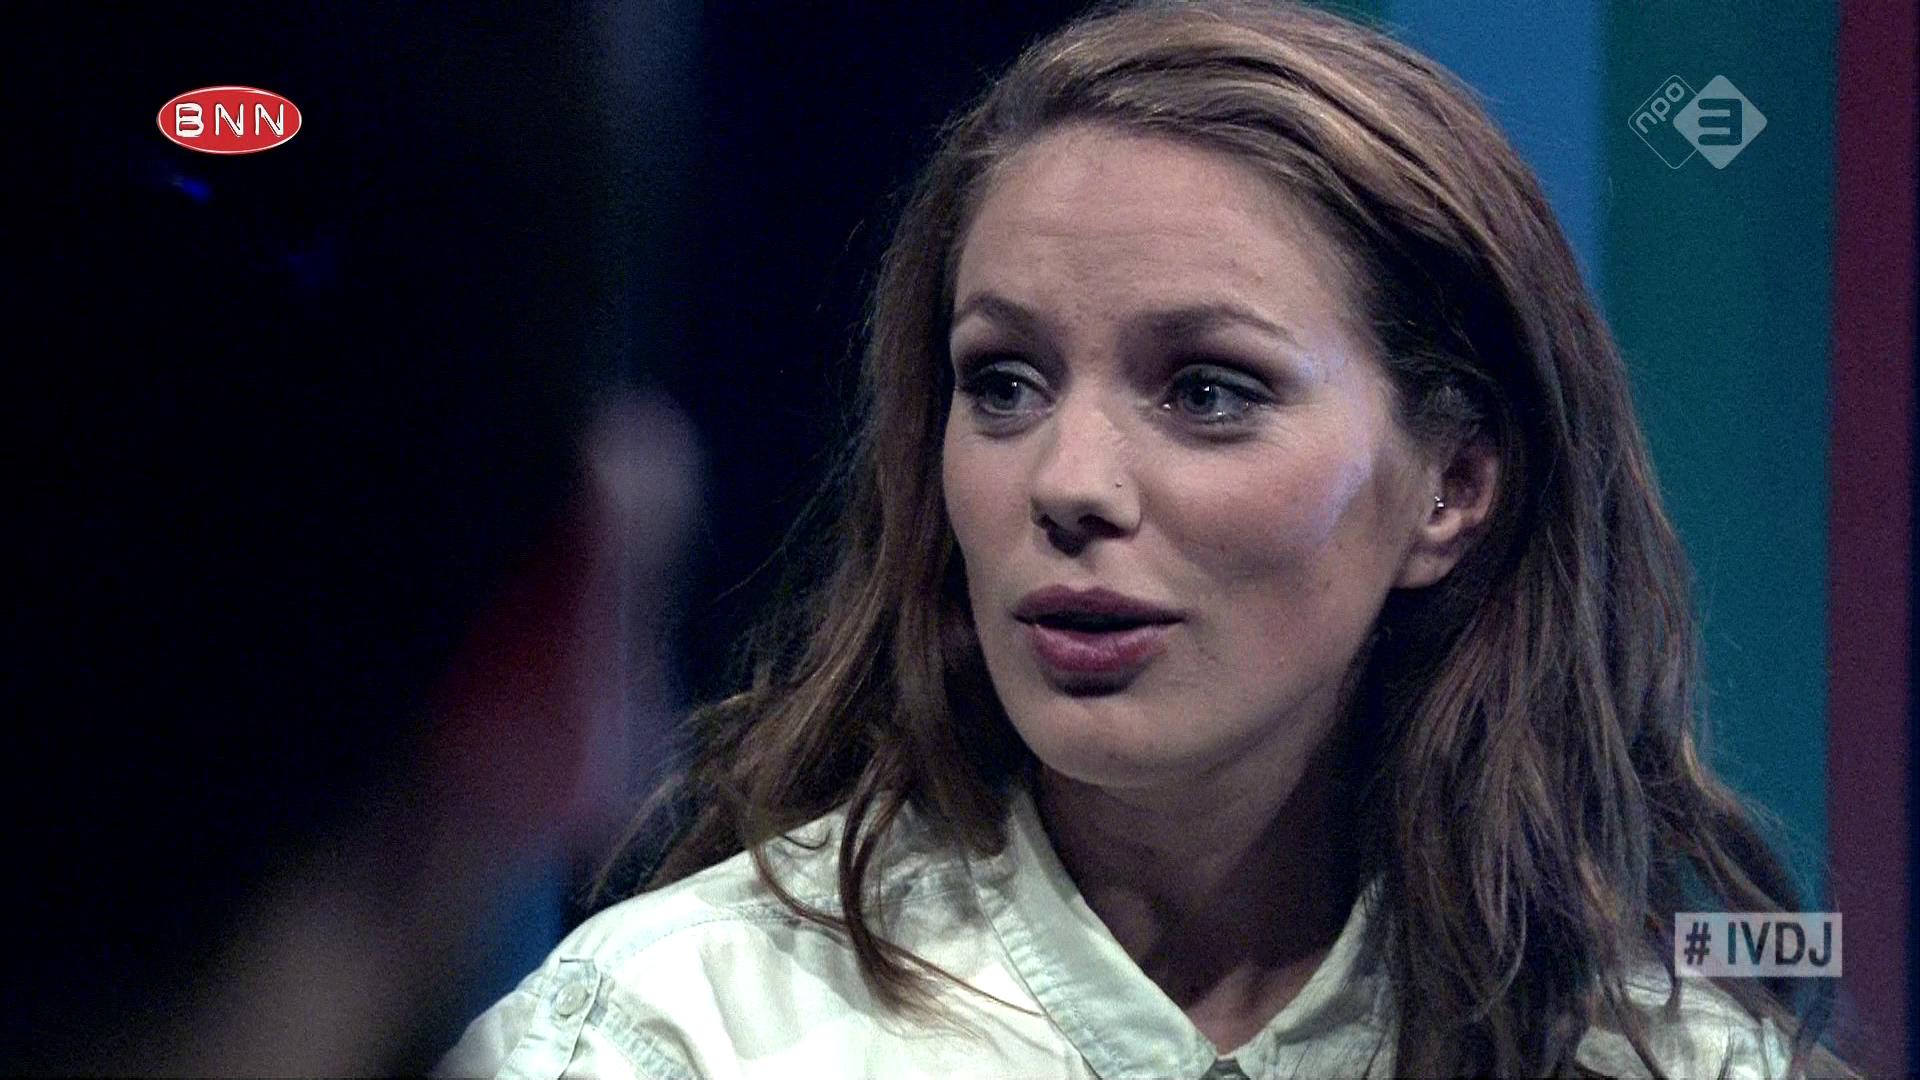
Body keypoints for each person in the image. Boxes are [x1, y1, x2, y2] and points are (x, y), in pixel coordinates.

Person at [438, 1, 1851, 1076]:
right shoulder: (670, 1035)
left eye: (1207, 391)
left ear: (1453, 488)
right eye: (1004, 383)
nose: (1068, 484)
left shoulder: (1672, 1061)